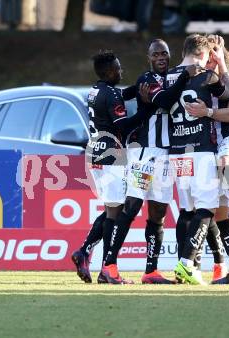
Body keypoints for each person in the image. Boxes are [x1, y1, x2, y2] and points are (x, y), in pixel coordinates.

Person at [100, 40, 203, 284]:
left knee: (158, 212)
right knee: (132, 207)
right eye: (156, 54)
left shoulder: (173, 78)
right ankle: (109, 266)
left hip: (167, 155)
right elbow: (165, 101)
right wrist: (183, 78)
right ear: (149, 58)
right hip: (146, 153)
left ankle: (150, 271)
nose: (161, 57)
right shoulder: (147, 79)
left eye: (165, 53)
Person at [185, 36, 229, 284]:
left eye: (213, 62)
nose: (208, 67)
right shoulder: (204, 82)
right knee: (220, 216)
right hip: (210, 150)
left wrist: (206, 111)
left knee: (226, 160)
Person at [160, 34, 228, 285]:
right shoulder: (206, 75)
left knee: (187, 210)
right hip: (200, 148)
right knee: (207, 207)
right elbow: (227, 94)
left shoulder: (166, 76)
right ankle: (188, 262)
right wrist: (220, 64)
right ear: (203, 54)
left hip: (177, 150)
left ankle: (184, 266)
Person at [71, 50, 139, 284]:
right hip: (113, 154)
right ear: (110, 72)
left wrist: (136, 89)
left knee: (114, 208)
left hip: (97, 153)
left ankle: (85, 252)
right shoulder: (111, 95)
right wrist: (145, 111)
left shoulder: (95, 90)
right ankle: (107, 270)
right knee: (115, 212)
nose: (121, 71)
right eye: (118, 68)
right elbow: (123, 125)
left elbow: (117, 96)